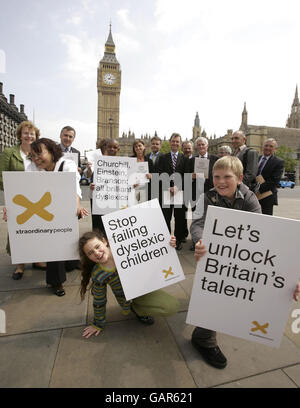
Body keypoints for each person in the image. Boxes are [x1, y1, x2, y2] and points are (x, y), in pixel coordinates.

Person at [190, 156, 262, 369]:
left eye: (227, 177)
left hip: (241, 258)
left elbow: (261, 232)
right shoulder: (206, 197)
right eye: (216, 177)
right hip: (211, 256)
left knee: (227, 297)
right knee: (215, 296)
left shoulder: (250, 199)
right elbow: (197, 224)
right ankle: (204, 338)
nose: (221, 182)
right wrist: (200, 240)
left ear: (239, 178)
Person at [78, 230, 179, 338]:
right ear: (88, 257)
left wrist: (167, 244)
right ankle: (136, 309)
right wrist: (98, 324)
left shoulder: (125, 247)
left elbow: (151, 247)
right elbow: (99, 300)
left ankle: (142, 305)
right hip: (128, 299)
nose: (97, 253)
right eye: (90, 253)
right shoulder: (98, 274)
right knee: (165, 306)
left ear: (104, 241)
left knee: (172, 306)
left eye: (97, 247)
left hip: (144, 288)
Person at [30, 138, 88, 296]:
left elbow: (75, 186)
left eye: (39, 154)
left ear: (51, 150)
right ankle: (56, 282)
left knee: (67, 240)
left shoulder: (66, 165)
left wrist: (77, 205)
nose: (36, 159)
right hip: (43, 210)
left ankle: (71, 262)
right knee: (53, 244)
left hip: (65, 208)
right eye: (33, 156)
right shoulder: (32, 167)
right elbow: (24, 188)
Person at [0, 120, 46, 280]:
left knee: (36, 229)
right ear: (20, 135)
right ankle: (20, 265)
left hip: (38, 197)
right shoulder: (9, 153)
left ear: (36, 136)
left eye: (32, 133)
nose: (29, 136)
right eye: (26, 133)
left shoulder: (39, 152)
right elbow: (1, 177)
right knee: (18, 230)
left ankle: (37, 260)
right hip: (18, 199)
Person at [157, 133, 189, 251]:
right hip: (166, 192)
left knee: (179, 218)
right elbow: (160, 174)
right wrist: (168, 187)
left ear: (180, 144)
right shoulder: (163, 158)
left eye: (177, 141)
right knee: (166, 217)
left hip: (179, 192)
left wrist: (177, 187)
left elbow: (187, 176)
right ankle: (166, 240)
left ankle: (178, 240)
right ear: (170, 142)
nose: (175, 143)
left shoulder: (184, 159)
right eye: (173, 141)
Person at [188, 137, 218, 250]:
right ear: (196, 147)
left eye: (203, 145)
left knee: (210, 217)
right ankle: (195, 241)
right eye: (199, 145)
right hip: (196, 193)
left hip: (211, 193)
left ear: (207, 146)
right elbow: (186, 177)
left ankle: (211, 241)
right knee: (197, 218)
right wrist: (191, 176)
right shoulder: (191, 161)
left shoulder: (215, 159)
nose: (201, 147)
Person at [86, 139, 120, 233]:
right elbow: (88, 175)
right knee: (97, 224)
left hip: (113, 198)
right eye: (109, 147)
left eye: (114, 147)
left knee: (111, 224)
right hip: (97, 196)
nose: (111, 149)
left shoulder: (121, 162)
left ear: (118, 149)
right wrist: (89, 168)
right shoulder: (96, 160)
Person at [256, 138, 284, 215]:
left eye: (271, 146)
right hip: (253, 195)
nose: (268, 148)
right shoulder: (256, 159)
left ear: (275, 149)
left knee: (265, 220)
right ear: (262, 147)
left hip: (267, 196)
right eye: (266, 145)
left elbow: (274, 181)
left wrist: (257, 189)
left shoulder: (278, 162)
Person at [131, 139, 151, 204]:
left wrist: (151, 176)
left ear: (144, 147)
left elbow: (154, 174)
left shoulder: (149, 160)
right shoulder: (130, 159)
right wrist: (131, 182)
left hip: (145, 189)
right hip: (133, 189)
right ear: (134, 149)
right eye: (136, 147)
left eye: (140, 146)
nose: (138, 148)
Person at [145, 135, 163, 201]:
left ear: (160, 146)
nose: (154, 145)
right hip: (146, 190)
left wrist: (153, 177)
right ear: (150, 145)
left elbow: (165, 174)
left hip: (158, 190)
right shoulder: (146, 157)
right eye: (153, 144)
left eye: (157, 144)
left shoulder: (164, 158)